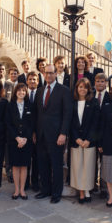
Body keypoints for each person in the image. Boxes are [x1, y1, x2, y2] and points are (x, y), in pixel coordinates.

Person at [34, 64, 73, 204]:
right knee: (43, 164)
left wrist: (63, 133)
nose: (49, 75)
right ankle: (45, 190)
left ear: (56, 73)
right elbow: (37, 113)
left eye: (51, 73)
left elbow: (67, 114)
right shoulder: (40, 91)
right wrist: (34, 132)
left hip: (57, 136)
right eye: (46, 73)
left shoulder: (64, 90)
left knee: (56, 165)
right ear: (43, 74)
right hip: (41, 135)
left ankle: (56, 193)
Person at [70, 78, 100, 204]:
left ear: (88, 89)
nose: (82, 89)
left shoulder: (93, 102)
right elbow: (70, 122)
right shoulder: (72, 102)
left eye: (85, 87)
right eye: (80, 87)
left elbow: (96, 123)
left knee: (88, 167)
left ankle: (87, 190)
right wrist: (76, 138)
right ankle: (81, 192)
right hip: (76, 140)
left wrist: (88, 139)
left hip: (89, 141)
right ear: (77, 88)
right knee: (78, 167)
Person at [6, 83, 33, 200]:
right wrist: (17, 138)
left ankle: (22, 190)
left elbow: (31, 124)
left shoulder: (30, 105)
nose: (21, 92)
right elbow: (8, 124)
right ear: (15, 92)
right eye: (19, 90)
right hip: (14, 141)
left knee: (24, 166)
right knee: (15, 166)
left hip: (26, 141)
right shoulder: (10, 105)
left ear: (26, 92)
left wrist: (25, 138)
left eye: (23, 90)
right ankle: (16, 190)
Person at [93, 73, 111, 198]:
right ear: (95, 83)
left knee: (104, 163)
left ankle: (104, 188)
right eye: (98, 81)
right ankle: (92, 184)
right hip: (92, 136)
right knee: (92, 162)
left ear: (106, 83)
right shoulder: (90, 97)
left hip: (105, 135)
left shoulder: (110, 97)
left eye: (102, 81)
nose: (100, 83)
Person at [0, 64, 13, 183]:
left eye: (3, 69)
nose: (1, 71)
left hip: (7, 118)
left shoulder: (10, 84)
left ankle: (9, 173)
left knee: (7, 150)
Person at [26, 71, 40, 192]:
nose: (32, 81)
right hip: (24, 133)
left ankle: (35, 182)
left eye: (34, 79)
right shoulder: (22, 93)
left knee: (36, 159)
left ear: (38, 81)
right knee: (26, 158)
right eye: (30, 79)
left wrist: (35, 132)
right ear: (27, 81)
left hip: (38, 133)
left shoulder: (41, 94)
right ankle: (25, 182)